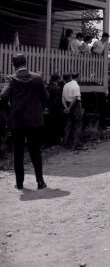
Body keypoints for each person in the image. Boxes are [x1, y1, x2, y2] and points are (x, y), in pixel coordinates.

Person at [0, 54, 49, 190]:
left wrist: (11, 109)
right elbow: (46, 97)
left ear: (13, 65)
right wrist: (42, 107)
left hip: (17, 122)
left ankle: (20, 183)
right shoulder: (37, 78)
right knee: (35, 151)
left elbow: (3, 96)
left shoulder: (11, 79)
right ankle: (40, 182)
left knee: (18, 152)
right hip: (35, 120)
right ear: (25, 62)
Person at [62, 73, 83, 149]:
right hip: (74, 106)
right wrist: (71, 108)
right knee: (77, 125)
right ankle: (76, 144)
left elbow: (63, 98)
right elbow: (75, 99)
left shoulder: (65, 85)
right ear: (78, 77)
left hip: (67, 105)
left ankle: (66, 142)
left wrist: (66, 108)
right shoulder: (76, 86)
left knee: (68, 124)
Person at [45, 73, 64, 146]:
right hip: (55, 110)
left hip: (48, 109)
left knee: (49, 126)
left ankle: (48, 142)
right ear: (57, 80)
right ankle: (55, 142)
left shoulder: (47, 87)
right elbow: (57, 101)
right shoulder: (58, 88)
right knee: (56, 126)